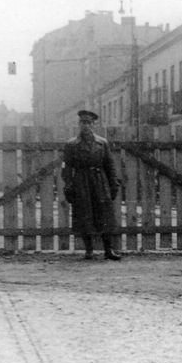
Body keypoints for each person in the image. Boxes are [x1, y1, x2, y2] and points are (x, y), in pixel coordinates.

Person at [61, 110, 122, 260]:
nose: (86, 126)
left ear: (94, 125)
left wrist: (113, 183)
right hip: (81, 181)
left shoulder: (102, 143)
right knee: (84, 214)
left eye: (89, 123)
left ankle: (108, 250)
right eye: (83, 122)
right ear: (79, 124)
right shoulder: (71, 145)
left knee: (105, 214)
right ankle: (89, 250)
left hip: (100, 181)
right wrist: (68, 184)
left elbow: (110, 165)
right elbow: (67, 167)